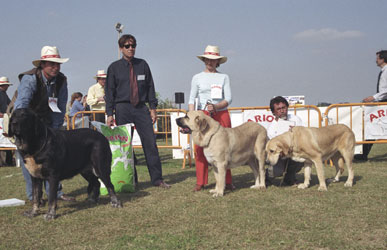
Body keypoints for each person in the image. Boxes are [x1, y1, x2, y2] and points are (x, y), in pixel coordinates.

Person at [105, 34, 170, 188]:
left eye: (133, 45)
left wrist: (153, 108)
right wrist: (109, 114)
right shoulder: (114, 68)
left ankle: (157, 179)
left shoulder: (143, 65)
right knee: (125, 146)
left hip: (141, 108)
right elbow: (109, 92)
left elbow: (150, 87)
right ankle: (131, 179)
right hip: (122, 108)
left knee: (150, 143)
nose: (131, 49)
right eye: (127, 46)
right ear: (121, 48)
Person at [13, 45, 75, 201]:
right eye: (52, 64)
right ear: (42, 65)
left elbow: (60, 107)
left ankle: (56, 193)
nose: (56, 67)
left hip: (46, 121)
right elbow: (22, 106)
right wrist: (24, 131)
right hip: (25, 121)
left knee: (54, 156)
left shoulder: (61, 80)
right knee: (29, 158)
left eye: (58, 64)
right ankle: (34, 196)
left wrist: (55, 130)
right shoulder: (30, 79)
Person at [188, 45, 234, 192]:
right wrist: (191, 116)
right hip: (202, 116)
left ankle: (227, 181)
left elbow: (228, 99)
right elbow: (191, 99)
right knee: (199, 148)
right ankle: (200, 181)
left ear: (218, 61)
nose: (210, 62)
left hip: (221, 114)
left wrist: (216, 106)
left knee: (225, 149)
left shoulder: (224, 77)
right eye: (208, 59)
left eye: (213, 60)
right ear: (204, 60)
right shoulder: (197, 78)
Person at [355, 50, 387, 161]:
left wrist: (373, 98)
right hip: (381, 103)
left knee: (372, 127)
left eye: (378, 58)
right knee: (373, 128)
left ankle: (362, 155)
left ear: (383, 59)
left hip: (383, 104)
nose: (376, 60)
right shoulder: (384, 71)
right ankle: (363, 154)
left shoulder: (386, 72)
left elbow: (385, 91)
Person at [266, 96, 304, 186]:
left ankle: (289, 178)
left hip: (295, 151)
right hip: (280, 156)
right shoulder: (271, 128)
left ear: (287, 107)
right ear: (273, 112)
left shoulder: (296, 119)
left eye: (284, 107)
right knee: (276, 171)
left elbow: (303, 136)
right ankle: (267, 177)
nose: (282, 110)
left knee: (300, 160)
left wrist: (297, 130)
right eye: (278, 109)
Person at [0, 77, 14, 166]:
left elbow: (10, 105)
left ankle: (7, 161)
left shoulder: (4, 94)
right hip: (1, 120)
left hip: (3, 119)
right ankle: (4, 162)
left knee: (6, 139)